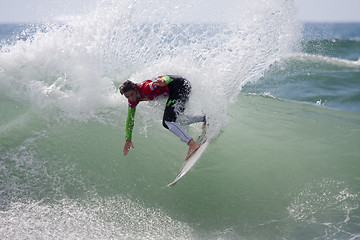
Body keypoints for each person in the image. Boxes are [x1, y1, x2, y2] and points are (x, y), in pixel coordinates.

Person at [119, 75, 205, 160]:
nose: (131, 98)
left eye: (132, 94)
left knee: (167, 122)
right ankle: (204, 118)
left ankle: (192, 144)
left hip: (180, 86)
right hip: (178, 89)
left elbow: (166, 78)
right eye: (127, 96)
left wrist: (164, 81)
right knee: (177, 121)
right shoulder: (132, 101)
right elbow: (130, 118)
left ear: (135, 88)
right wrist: (128, 139)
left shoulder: (146, 87)